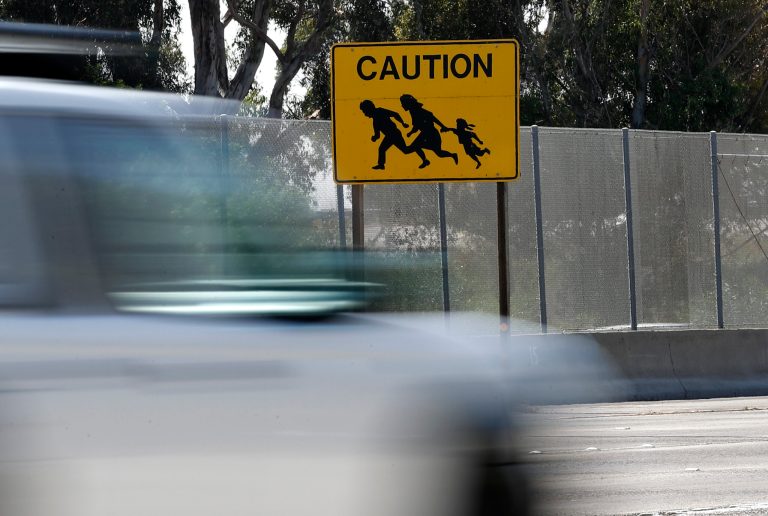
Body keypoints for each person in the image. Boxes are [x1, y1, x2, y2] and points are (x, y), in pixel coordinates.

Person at [399, 94, 458, 169]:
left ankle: (452, 155)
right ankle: (425, 160)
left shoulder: (418, 110)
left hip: (431, 133)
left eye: (403, 103)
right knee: (416, 147)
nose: (402, 106)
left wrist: (443, 126)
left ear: (408, 103)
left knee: (439, 153)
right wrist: (411, 133)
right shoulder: (412, 111)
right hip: (425, 133)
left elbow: (432, 117)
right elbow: (416, 126)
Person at [359, 99, 410, 170]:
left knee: (405, 150)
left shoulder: (380, 111)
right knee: (382, 149)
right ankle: (381, 165)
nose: (365, 114)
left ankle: (418, 144)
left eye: (364, 111)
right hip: (389, 136)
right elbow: (378, 135)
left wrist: (403, 123)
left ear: (369, 109)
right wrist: (374, 138)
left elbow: (395, 114)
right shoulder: (375, 122)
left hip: (395, 134)